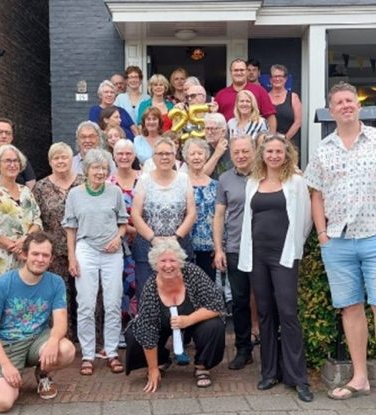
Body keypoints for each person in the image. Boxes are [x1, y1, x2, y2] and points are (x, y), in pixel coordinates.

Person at [305, 82, 376, 415]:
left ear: (358, 105)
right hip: (338, 241)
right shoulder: (323, 149)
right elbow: (317, 195)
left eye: (349, 100)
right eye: (338, 102)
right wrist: (322, 234)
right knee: (350, 309)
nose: (345, 106)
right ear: (331, 110)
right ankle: (360, 377)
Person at [239, 133, 313, 402]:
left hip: (283, 256)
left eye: (278, 152)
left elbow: (305, 222)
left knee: (288, 312)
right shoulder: (252, 182)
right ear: (263, 155)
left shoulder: (296, 182)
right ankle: (269, 372)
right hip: (257, 256)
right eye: (269, 151)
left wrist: (293, 249)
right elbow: (249, 219)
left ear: (286, 154)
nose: (273, 156)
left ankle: (297, 377)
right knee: (266, 313)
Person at [0, 232, 77, 411]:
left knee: (66, 350)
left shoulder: (55, 282)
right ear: (24, 254)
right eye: (35, 254)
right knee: (3, 403)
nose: (40, 259)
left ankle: (43, 374)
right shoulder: (3, 284)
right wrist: (6, 365)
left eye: (45, 255)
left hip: (37, 340)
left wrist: (53, 341)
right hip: (7, 345)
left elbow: (60, 322)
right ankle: (2, 379)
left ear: (51, 259)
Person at [124, 239, 227, 391]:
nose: (168, 266)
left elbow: (217, 304)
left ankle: (202, 366)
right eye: (163, 261)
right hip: (162, 325)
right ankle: (161, 361)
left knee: (214, 325)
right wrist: (152, 369)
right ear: (155, 264)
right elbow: (147, 331)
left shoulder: (193, 273)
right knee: (136, 333)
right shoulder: (150, 287)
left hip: (193, 320)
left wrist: (188, 320)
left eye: (172, 260)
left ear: (180, 261)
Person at [64, 149, 129, 376]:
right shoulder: (75, 194)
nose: (100, 172)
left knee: (112, 303)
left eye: (103, 168)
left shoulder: (115, 192)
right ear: (86, 170)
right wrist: (72, 256)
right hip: (86, 249)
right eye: (95, 168)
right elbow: (70, 228)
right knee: (86, 304)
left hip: (112, 251)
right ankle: (88, 354)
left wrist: (118, 238)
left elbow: (123, 222)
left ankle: (111, 352)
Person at [31, 142, 84, 345]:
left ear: (72, 160)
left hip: (83, 247)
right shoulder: (41, 187)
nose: (61, 161)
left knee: (86, 295)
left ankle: (88, 338)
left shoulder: (83, 182)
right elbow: (37, 219)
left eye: (64, 157)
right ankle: (64, 337)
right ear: (50, 161)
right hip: (53, 250)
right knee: (60, 295)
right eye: (56, 158)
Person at [130, 138, 196, 299]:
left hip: (179, 245)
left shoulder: (184, 179)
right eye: (160, 154)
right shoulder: (144, 181)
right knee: (147, 294)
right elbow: (135, 214)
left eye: (168, 153)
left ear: (175, 156)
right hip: (148, 246)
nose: (164, 157)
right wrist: (153, 238)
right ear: (153, 157)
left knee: (180, 294)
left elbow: (192, 213)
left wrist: (176, 237)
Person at [213, 135, 256, 370]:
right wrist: (218, 248)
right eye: (236, 152)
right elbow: (219, 216)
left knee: (267, 300)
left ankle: (271, 349)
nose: (240, 156)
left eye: (245, 151)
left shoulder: (264, 173)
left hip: (262, 249)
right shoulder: (225, 179)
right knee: (239, 301)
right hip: (235, 248)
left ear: (253, 151)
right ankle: (243, 349)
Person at [0, 145, 43, 298]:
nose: (12, 165)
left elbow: (37, 220)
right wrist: (15, 247)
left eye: (16, 161)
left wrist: (25, 241)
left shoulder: (26, 192)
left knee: (24, 304)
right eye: (7, 161)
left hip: (26, 259)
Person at [107, 139, 141, 327]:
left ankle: (139, 327)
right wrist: (129, 229)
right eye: (120, 153)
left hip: (143, 241)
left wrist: (140, 231)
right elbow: (107, 215)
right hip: (118, 243)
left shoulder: (144, 179)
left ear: (134, 156)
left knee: (140, 283)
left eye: (128, 153)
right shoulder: (108, 183)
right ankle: (120, 329)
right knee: (119, 285)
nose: (124, 157)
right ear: (114, 156)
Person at [184, 138, 218, 280]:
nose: (196, 157)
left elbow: (220, 216)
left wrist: (219, 245)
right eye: (192, 154)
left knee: (208, 285)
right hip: (185, 245)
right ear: (186, 157)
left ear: (206, 156)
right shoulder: (180, 182)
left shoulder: (216, 185)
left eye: (200, 153)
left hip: (209, 246)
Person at [215, 59, 277, 133]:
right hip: (229, 139)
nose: (239, 73)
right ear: (231, 72)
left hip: (255, 139)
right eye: (236, 70)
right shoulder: (221, 95)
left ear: (247, 72)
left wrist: (270, 139)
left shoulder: (259, 91)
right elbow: (216, 121)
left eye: (242, 70)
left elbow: (270, 117)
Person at [0, 119, 37, 188]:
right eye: (0, 132)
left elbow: (32, 188)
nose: (4, 136)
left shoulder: (21, 160)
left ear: (12, 137)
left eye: (8, 133)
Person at [269, 64, 302, 149]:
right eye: (274, 76)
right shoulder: (265, 97)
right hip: (269, 144)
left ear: (286, 79)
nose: (277, 79)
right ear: (270, 79)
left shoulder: (293, 97)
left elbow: (298, 122)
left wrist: (284, 139)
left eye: (280, 76)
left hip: (289, 144)